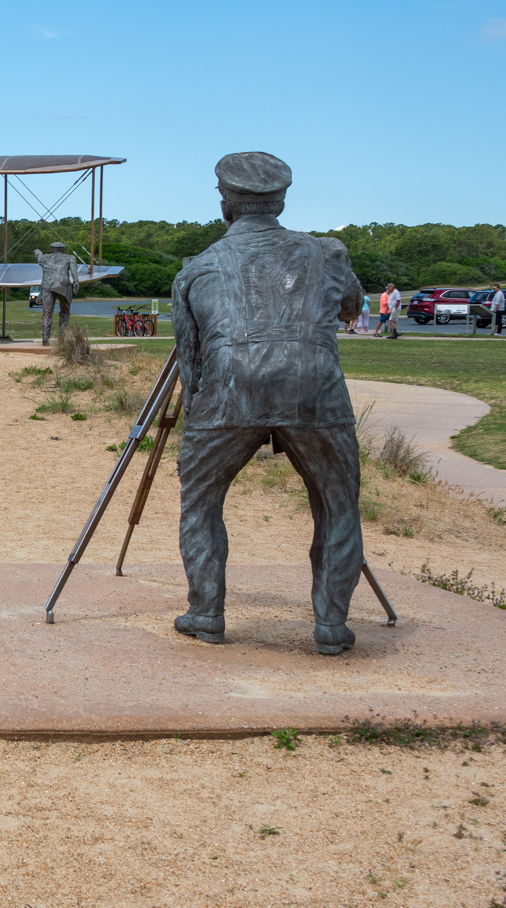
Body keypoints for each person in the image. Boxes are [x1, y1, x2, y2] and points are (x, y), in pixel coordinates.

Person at [171, 151, 365, 655]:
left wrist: (201, 426)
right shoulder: (329, 254)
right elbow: (351, 305)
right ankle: (330, 625)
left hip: (227, 393)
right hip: (314, 389)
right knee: (339, 504)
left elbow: (188, 362)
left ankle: (206, 612)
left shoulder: (198, 268)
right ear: (281, 201)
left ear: (225, 204)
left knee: (200, 501)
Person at [34, 240, 78, 344]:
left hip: (47, 286)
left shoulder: (45, 258)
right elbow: (74, 271)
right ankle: (62, 337)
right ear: (62, 249)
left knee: (47, 313)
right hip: (64, 286)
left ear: (51, 249)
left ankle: (45, 337)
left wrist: (38, 252)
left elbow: (39, 258)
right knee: (65, 312)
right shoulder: (70, 258)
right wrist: (76, 281)